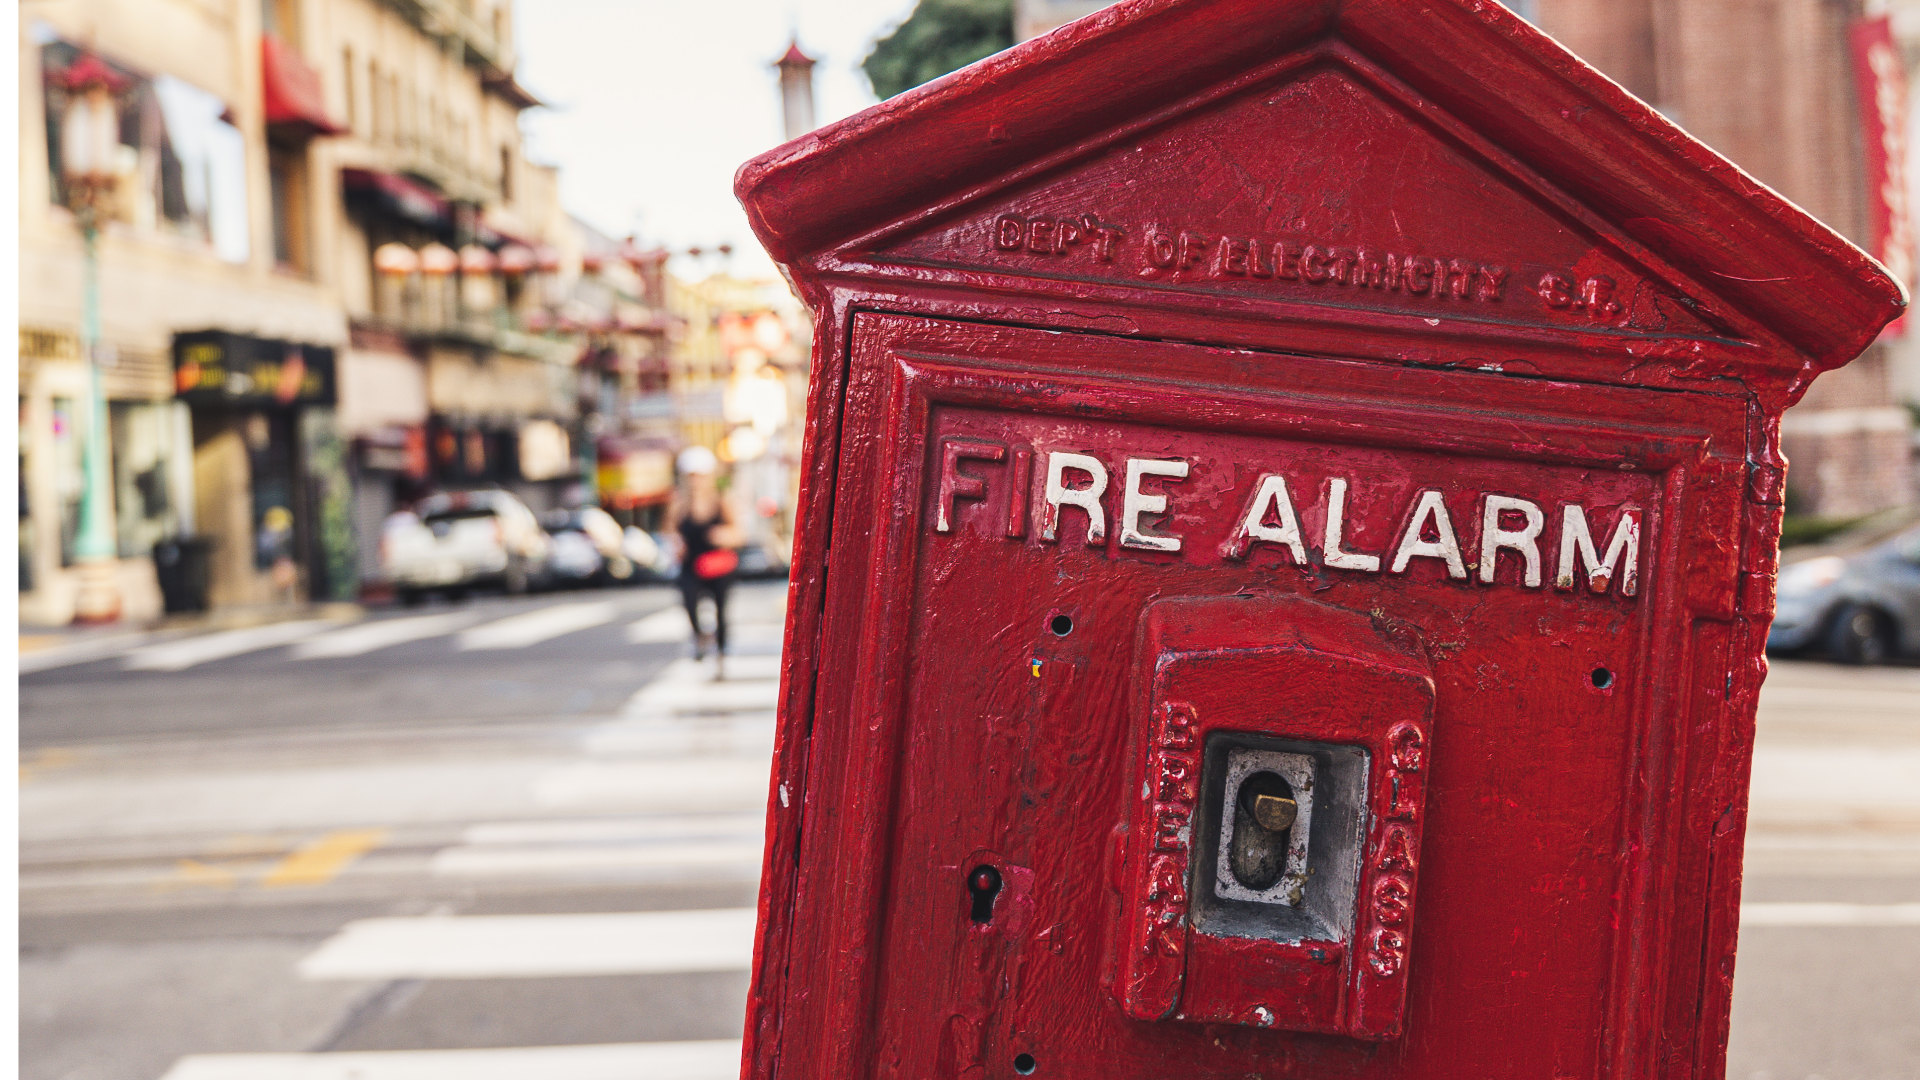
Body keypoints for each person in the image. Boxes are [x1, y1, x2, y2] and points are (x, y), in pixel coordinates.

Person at [672, 446, 743, 678]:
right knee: (689, 602)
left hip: (718, 564)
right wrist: (675, 544)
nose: (696, 481)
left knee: (721, 612)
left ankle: (721, 654)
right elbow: (670, 532)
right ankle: (700, 637)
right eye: (692, 476)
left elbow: (739, 533)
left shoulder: (721, 500)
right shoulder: (679, 504)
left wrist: (724, 535)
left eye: (700, 475)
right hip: (691, 564)